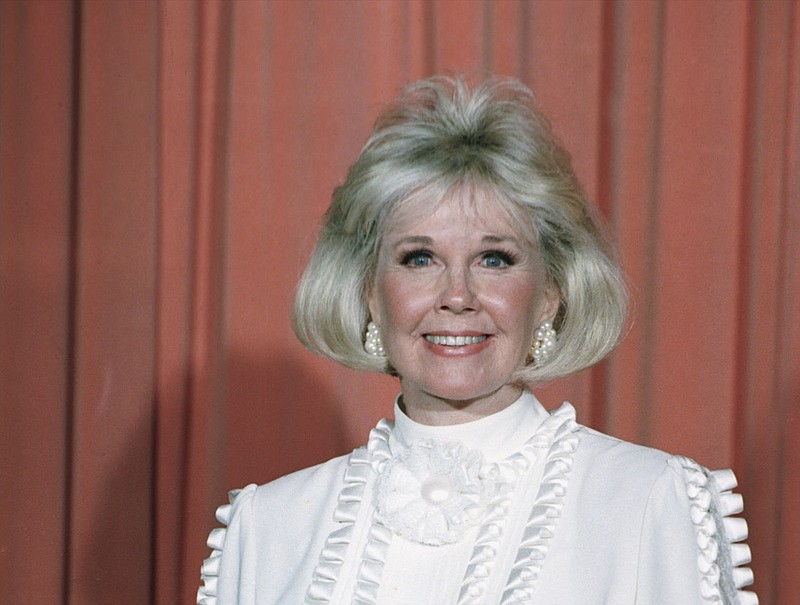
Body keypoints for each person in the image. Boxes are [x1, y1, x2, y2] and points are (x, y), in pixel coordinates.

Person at [197, 75, 757, 604]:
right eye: (419, 258)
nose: (457, 295)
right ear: (369, 290)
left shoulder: (650, 501)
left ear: (551, 292)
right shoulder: (268, 527)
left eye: (494, 259)